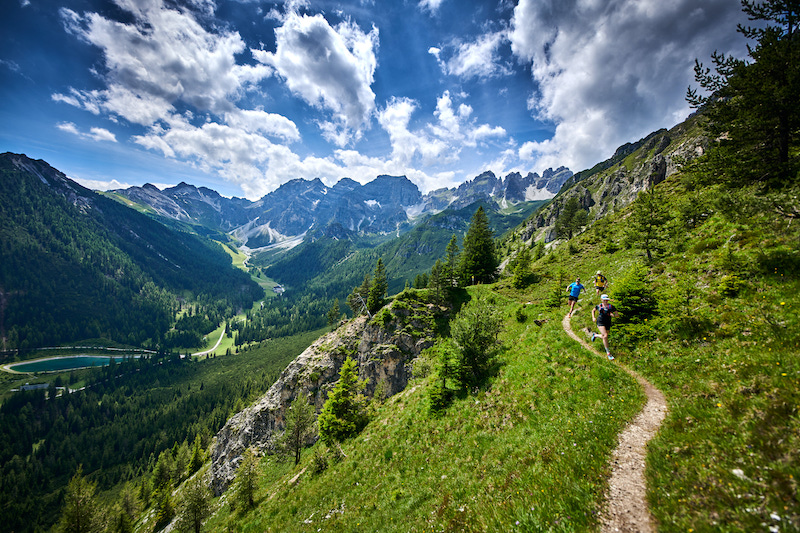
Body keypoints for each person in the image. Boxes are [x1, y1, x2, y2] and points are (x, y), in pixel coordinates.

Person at [591, 294, 619, 360]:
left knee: (604, 336)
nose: (605, 301)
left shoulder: (611, 306)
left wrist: (613, 315)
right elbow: (593, 310)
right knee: (605, 336)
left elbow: (617, 314)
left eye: (606, 300)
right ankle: (608, 353)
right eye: (604, 300)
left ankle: (595, 335)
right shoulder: (599, 306)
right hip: (600, 321)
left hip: (608, 322)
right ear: (601, 300)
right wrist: (593, 317)